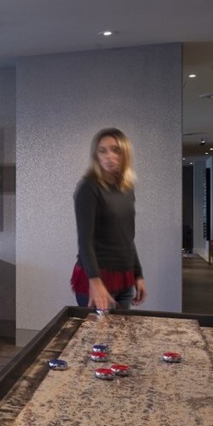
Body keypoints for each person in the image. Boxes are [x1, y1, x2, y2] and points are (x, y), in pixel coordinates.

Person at [71, 128, 147, 311]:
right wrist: (95, 281)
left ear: (125, 154)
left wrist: (138, 275)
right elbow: (85, 241)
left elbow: (127, 238)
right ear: (96, 155)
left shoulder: (127, 188)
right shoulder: (89, 188)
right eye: (102, 151)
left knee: (121, 330)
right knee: (99, 331)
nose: (108, 156)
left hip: (125, 279)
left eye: (115, 150)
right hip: (98, 278)